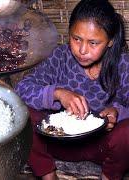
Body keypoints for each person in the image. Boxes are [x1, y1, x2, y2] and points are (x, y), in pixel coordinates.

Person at [15, 0, 129, 179]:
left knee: (126, 134)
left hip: (100, 147)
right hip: (58, 142)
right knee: (21, 113)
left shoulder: (123, 65)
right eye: (76, 39)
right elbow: (22, 89)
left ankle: (109, 176)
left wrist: (117, 112)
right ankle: (47, 173)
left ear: (110, 41)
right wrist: (58, 93)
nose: (82, 50)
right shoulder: (60, 57)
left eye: (93, 43)